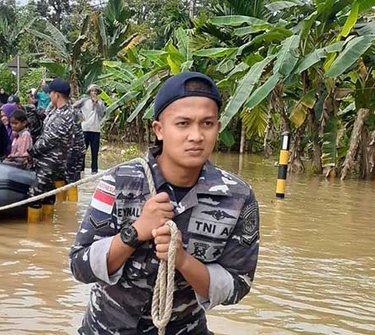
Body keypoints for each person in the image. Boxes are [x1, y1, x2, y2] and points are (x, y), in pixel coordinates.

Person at [69, 72, 260, 334]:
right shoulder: (120, 181)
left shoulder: (237, 197)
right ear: (159, 130)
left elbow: (237, 286)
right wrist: (134, 232)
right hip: (104, 328)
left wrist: (182, 260)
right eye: (183, 124)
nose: (196, 136)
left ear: (218, 127)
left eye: (207, 124)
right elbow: (79, 265)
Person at [26, 78, 77, 222]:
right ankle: (45, 233)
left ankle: (33, 233)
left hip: (51, 161)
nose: (49, 96)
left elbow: (49, 139)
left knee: (34, 195)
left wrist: (31, 151)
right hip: (51, 160)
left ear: (57, 95)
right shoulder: (58, 111)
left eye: (51, 93)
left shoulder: (64, 115)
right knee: (47, 194)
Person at [74, 84, 106, 174]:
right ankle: (81, 169)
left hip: (96, 129)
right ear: (89, 92)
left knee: (95, 151)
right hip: (85, 128)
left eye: (95, 91)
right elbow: (73, 106)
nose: (94, 93)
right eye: (92, 91)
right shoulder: (84, 101)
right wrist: (79, 115)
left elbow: (102, 114)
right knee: (83, 150)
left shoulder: (101, 102)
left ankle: (94, 170)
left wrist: (96, 103)